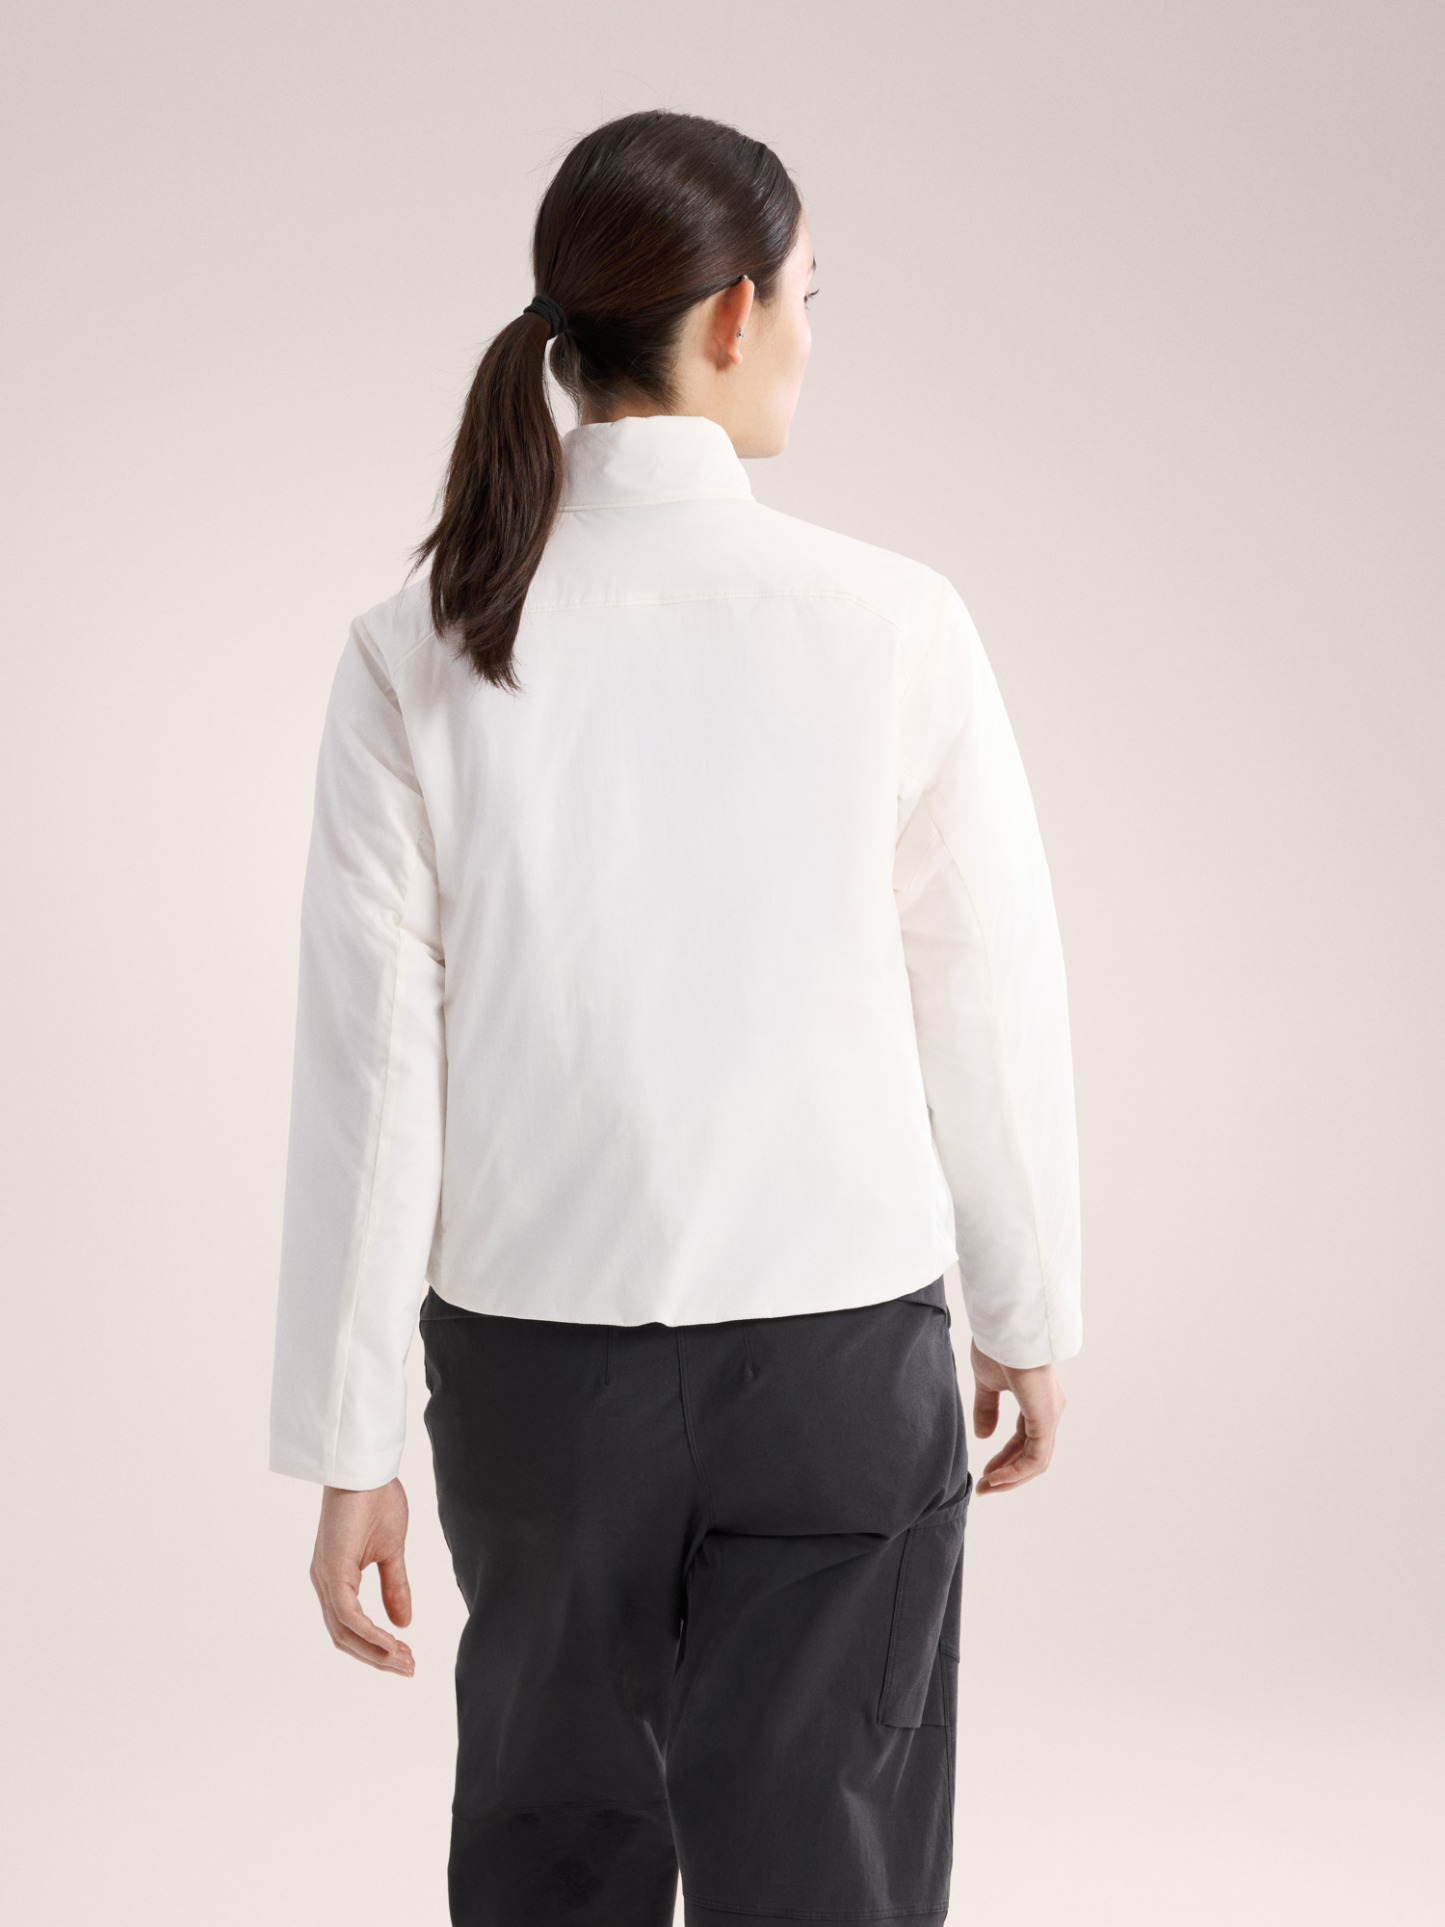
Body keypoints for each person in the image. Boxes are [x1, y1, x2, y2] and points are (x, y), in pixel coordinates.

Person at [269, 108, 1081, 1927]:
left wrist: (347, 1443)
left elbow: (372, 1074)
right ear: (730, 316)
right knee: (831, 1870)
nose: (805, 335)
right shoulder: (889, 620)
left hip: (535, 1376)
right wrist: (1028, 1311)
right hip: (838, 1356)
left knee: (552, 1849)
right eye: (807, 296)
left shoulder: (419, 642)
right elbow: (985, 991)